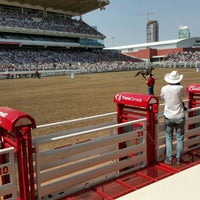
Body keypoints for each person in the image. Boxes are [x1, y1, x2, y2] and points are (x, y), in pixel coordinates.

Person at [160, 71, 187, 165]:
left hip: (168, 116)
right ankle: (179, 158)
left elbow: (162, 98)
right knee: (179, 137)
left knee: (168, 137)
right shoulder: (180, 88)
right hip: (179, 115)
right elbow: (185, 95)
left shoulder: (164, 88)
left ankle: (169, 158)